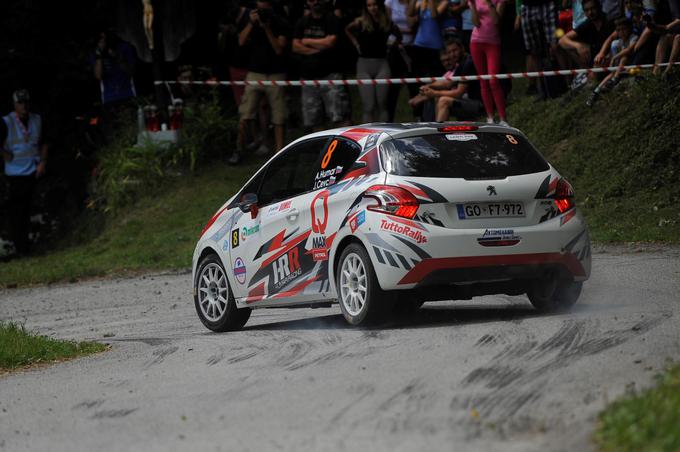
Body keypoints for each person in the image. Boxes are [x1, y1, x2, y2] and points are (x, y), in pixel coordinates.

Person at [231, 0, 291, 164]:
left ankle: (279, 154)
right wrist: (251, 23)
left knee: (278, 115)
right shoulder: (250, 18)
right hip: (254, 72)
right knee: (245, 113)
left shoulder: (280, 21)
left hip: (275, 74)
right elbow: (241, 41)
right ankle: (238, 149)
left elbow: (279, 48)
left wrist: (267, 28)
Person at [0, 90, 49, 257]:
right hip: (15, 173)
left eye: (26, 102)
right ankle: (20, 248)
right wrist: (4, 154)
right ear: (14, 105)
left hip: (34, 170)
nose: (24, 106)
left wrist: (42, 162)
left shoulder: (37, 119)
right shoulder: (7, 122)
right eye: (20, 103)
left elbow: (44, 141)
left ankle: (30, 245)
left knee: (30, 210)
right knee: (17, 213)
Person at [293, 0, 351, 131]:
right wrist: (320, 47)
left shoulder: (332, 19)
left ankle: (345, 147)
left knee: (340, 116)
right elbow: (295, 46)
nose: (316, 2)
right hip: (308, 77)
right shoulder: (302, 22)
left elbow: (331, 42)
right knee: (314, 120)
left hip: (331, 74)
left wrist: (307, 41)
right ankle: (322, 150)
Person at [346, 0, 403, 122]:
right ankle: (366, 136)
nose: (373, 8)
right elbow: (347, 29)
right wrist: (356, 43)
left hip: (382, 64)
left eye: (375, 5)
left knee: (382, 104)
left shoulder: (387, 22)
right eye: (369, 5)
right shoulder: (360, 22)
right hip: (364, 65)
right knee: (369, 105)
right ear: (366, 7)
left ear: (379, 6)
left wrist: (390, 46)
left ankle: (383, 132)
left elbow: (399, 36)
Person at [468, 0, 509, 125]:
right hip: (476, 42)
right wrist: (474, 5)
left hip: (492, 43)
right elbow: (475, 23)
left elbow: (496, 20)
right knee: (483, 81)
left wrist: (490, 3)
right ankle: (490, 117)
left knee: (493, 81)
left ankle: (503, 118)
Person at [587, 16, 639, 105]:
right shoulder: (617, 42)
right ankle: (596, 91)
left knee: (624, 57)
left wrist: (615, 58)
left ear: (630, 28)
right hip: (619, 67)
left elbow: (629, 50)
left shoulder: (634, 37)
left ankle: (615, 79)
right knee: (612, 72)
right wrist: (612, 59)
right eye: (618, 30)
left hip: (631, 62)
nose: (621, 32)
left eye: (624, 29)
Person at [433, 38, 484, 121]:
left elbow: (458, 93)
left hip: (480, 104)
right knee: (438, 97)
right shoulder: (461, 63)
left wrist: (434, 92)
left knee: (444, 100)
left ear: (462, 48)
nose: (452, 54)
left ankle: (438, 132)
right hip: (470, 99)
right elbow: (448, 83)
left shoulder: (468, 63)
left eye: (455, 50)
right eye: (449, 52)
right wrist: (429, 87)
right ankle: (433, 126)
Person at [385, 0, 419, 121]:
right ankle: (389, 120)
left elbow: (413, 26)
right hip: (394, 48)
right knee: (393, 86)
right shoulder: (390, 2)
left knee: (414, 84)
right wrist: (400, 32)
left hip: (412, 47)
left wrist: (399, 30)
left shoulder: (416, 2)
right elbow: (387, 25)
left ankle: (418, 117)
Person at [558, 0, 615, 69]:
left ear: (599, 7)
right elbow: (562, 41)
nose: (590, 12)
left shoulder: (609, 21)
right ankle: (586, 71)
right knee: (570, 47)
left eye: (592, 8)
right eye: (587, 10)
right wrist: (578, 46)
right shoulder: (587, 23)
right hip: (595, 59)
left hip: (611, 59)